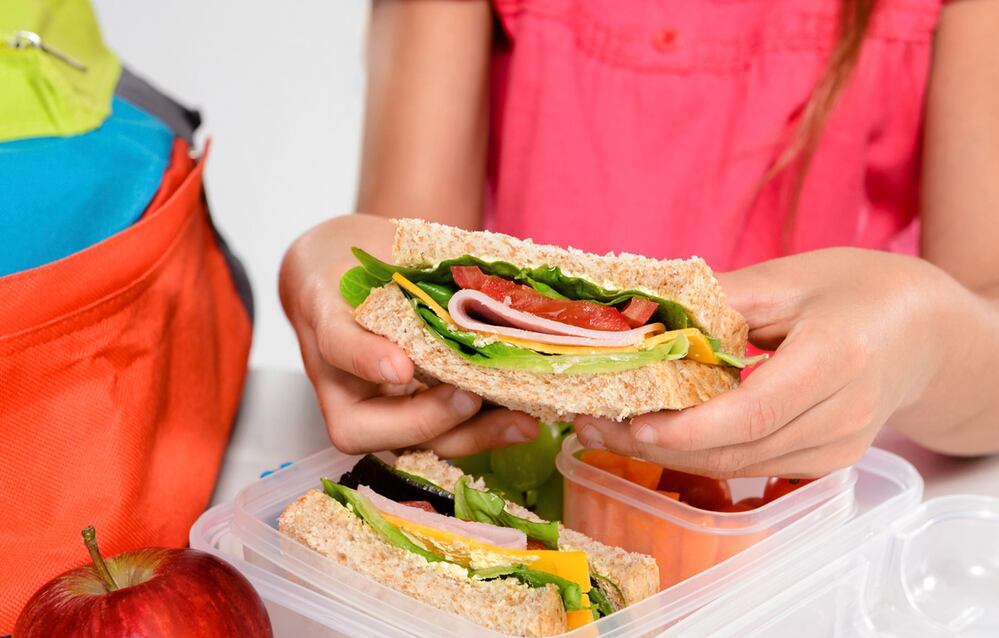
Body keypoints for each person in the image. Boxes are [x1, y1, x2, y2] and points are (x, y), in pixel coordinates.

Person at [279, 0, 999, 479]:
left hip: (837, 525)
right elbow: (408, 255)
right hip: (534, 488)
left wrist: (920, 335)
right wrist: (335, 263)